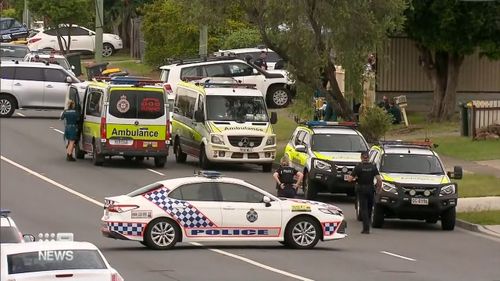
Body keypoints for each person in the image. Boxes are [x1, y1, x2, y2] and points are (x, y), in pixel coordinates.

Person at [348, 151, 382, 234]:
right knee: (370, 208)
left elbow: (349, 179)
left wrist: (355, 178)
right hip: (370, 188)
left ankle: (366, 228)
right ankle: (368, 224)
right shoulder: (373, 167)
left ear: (361, 158)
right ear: (368, 158)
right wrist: (378, 188)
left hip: (361, 189)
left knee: (364, 209)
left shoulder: (358, 167)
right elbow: (379, 179)